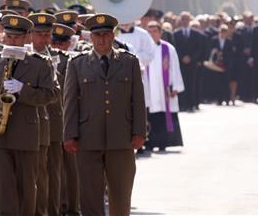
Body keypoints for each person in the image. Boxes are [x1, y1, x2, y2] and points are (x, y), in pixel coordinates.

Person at [63, 13, 146, 216]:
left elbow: (138, 100)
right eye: (97, 35)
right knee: (90, 196)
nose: (102, 39)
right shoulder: (77, 64)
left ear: (113, 36)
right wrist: (69, 135)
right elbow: (70, 102)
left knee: (121, 195)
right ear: (91, 37)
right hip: (88, 138)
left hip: (121, 138)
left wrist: (139, 132)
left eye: (106, 34)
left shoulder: (129, 62)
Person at [0, 15, 56, 215]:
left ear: (27, 37)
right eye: (9, 36)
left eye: (17, 37)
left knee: (27, 189)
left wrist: (23, 90)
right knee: (3, 189)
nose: (12, 41)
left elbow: (51, 94)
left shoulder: (40, 64)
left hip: (26, 134)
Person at [28, 12, 62, 216]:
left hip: (52, 122)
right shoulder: (23, 57)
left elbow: (58, 92)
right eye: (40, 34)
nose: (44, 39)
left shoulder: (54, 59)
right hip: (27, 123)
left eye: (47, 34)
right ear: (31, 34)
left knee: (49, 174)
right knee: (33, 175)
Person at [51, 23, 80, 216]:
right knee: (54, 169)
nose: (58, 46)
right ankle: (57, 206)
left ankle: (72, 207)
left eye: (63, 43)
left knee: (72, 169)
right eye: (55, 42)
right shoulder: (45, 60)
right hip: (52, 121)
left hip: (70, 120)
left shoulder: (75, 61)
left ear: (69, 44)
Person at [145, 22, 185, 151]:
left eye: (155, 31)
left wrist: (176, 87)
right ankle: (149, 142)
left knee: (163, 114)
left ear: (160, 32)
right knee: (149, 115)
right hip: (149, 89)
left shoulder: (168, 49)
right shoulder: (143, 49)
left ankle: (164, 142)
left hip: (165, 89)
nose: (152, 34)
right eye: (149, 32)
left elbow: (175, 68)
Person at [173, 12, 203, 112]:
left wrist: (191, 58)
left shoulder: (196, 33)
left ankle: (191, 104)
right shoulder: (176, 34)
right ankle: (183, 104)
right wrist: (182, 57)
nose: (185, 21)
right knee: (182, 83)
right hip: (181, 63)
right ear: (180, 21)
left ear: (190, 20)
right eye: (183, 19)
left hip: (192, 63)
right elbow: (175, 48)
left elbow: (199, 49)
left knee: (192, 83)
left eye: (187, 19)